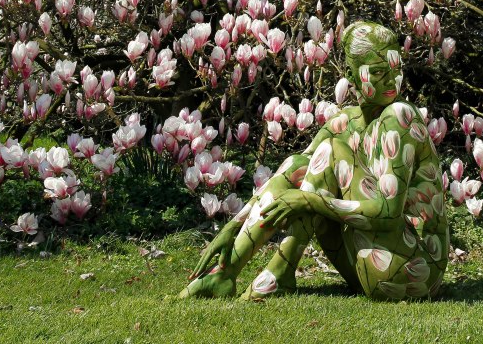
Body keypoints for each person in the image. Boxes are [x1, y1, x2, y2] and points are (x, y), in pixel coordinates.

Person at [178, 21, 448, 300]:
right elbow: (293, 173)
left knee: (328, 157)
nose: (392, 81)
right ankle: (226, 271)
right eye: (379, 72)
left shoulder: (399, 117)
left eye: (396, 69)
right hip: (368, 267)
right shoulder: (345, 123)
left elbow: (389, 214)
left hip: (414, 269)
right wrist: (233, 226)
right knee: (304, 163)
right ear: (350, 75)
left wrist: (311, 201)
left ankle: (277, 273)